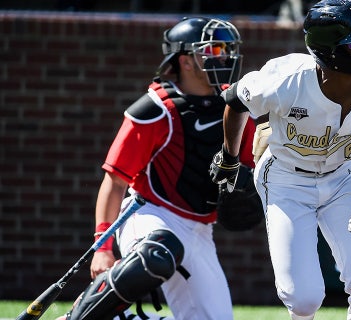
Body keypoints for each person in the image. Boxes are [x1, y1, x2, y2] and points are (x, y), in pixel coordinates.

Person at [209, 0, 351, 319]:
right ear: (330, 51)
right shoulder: (286, 77)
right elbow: (234, 101)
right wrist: (230, 158)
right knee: (304, 299)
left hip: (345, 178)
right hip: (287, 177)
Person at [58, 17, 256, 320]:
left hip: (200, 229)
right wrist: (103, 246)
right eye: (214, 48)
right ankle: (81, 315)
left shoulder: (236, 106)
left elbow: (250, 164)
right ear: (186, 60)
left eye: (228, 48)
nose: (225, 56)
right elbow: (114, 181)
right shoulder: (155, 109)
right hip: (148, 213)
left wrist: (251, 182)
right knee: (159, 253)